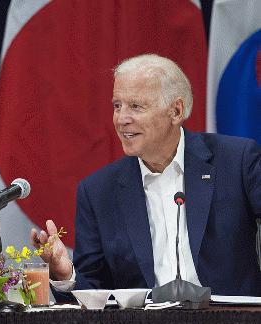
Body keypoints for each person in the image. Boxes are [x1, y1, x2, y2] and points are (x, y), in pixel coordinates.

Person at [31, 54, 261, 298]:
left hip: (230, 322)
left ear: (176, 111)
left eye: (136, 106)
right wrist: (66, 275)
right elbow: (95, 296)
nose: (121, 119)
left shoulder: (236, 160)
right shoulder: (98, 191)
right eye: (117, 106)